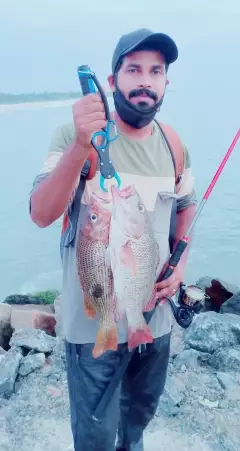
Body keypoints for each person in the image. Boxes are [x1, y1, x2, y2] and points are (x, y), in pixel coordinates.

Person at [29, 28, 197, 451]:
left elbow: (186, 207)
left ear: (165, 82)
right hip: (95, 324)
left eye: (156, 71)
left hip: (151, 321)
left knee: (138, 418)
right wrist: (82, 145)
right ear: (112, 80)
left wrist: (180, 265)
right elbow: (41, 213)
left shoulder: (174, 145)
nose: (145, 80)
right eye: (134, 69)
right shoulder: (74, 138)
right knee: (95, 434)